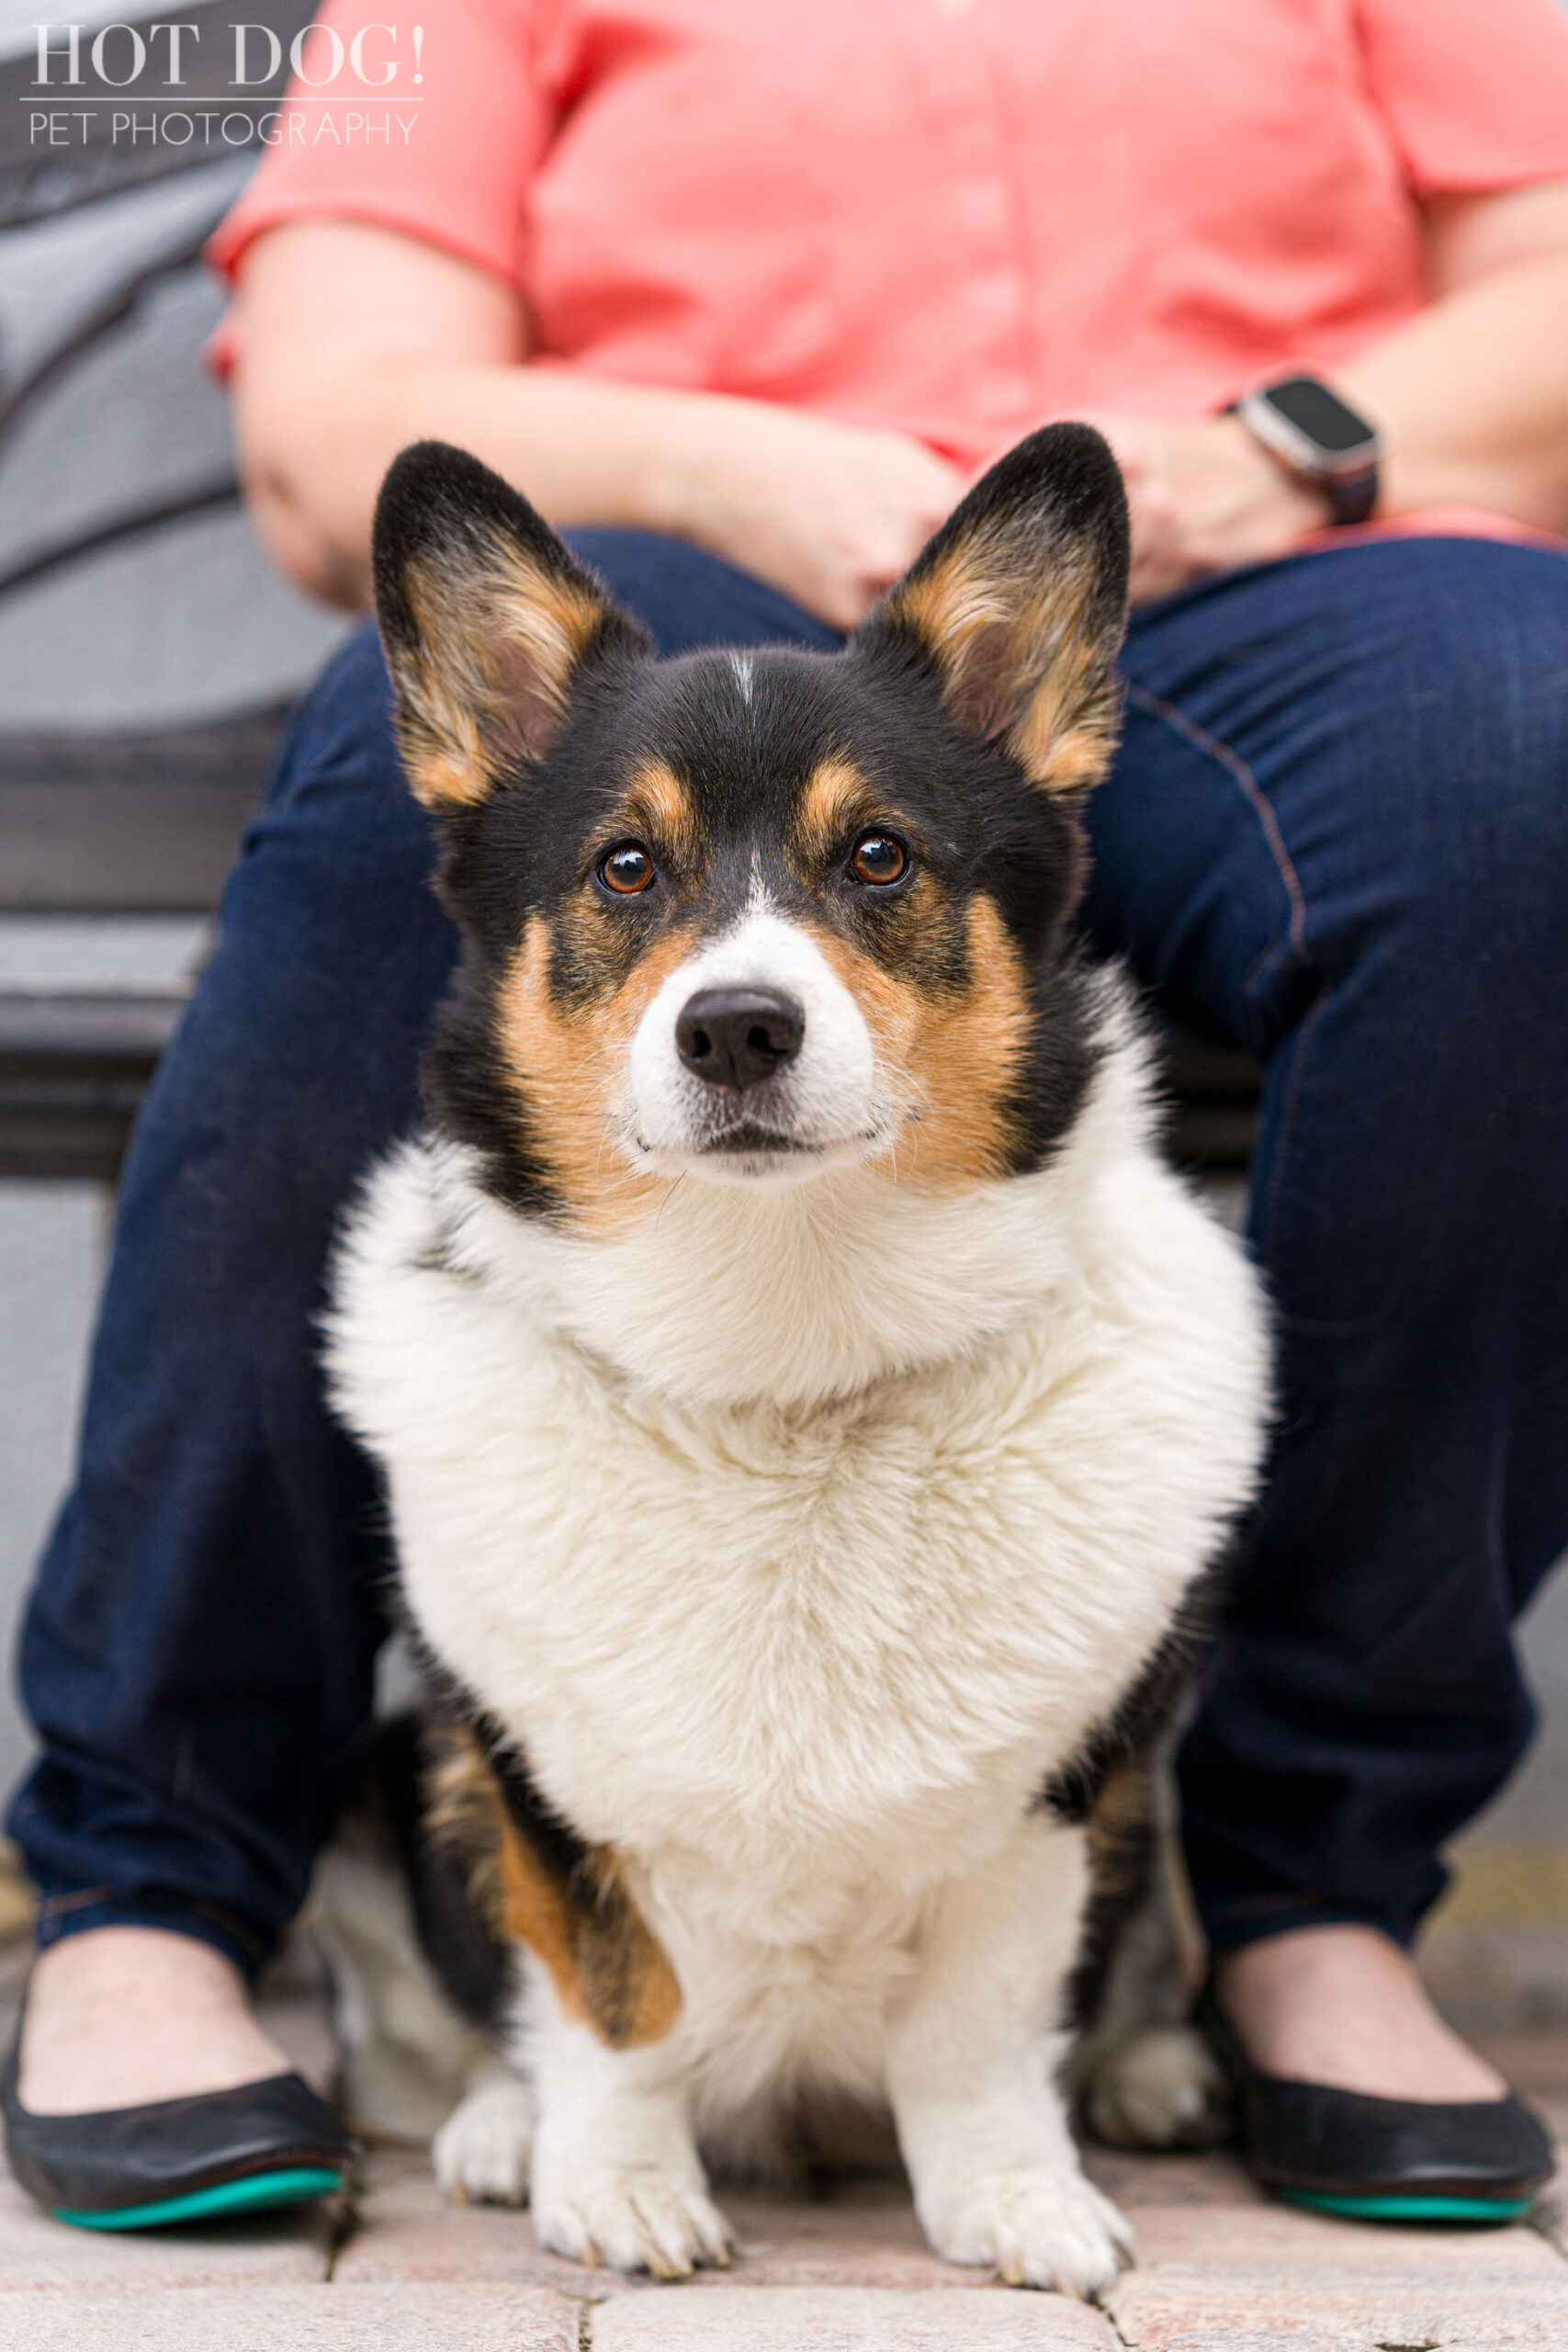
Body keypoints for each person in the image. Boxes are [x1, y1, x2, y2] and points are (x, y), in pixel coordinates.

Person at [6, 0, 1568, 2232]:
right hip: (686, 561)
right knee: (392, 819)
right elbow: (334, 424)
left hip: (1275, 561)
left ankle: (1311, 1889)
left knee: (1527, 768)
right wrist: (719, 457)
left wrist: (1275, 445)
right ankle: (153, 1884)